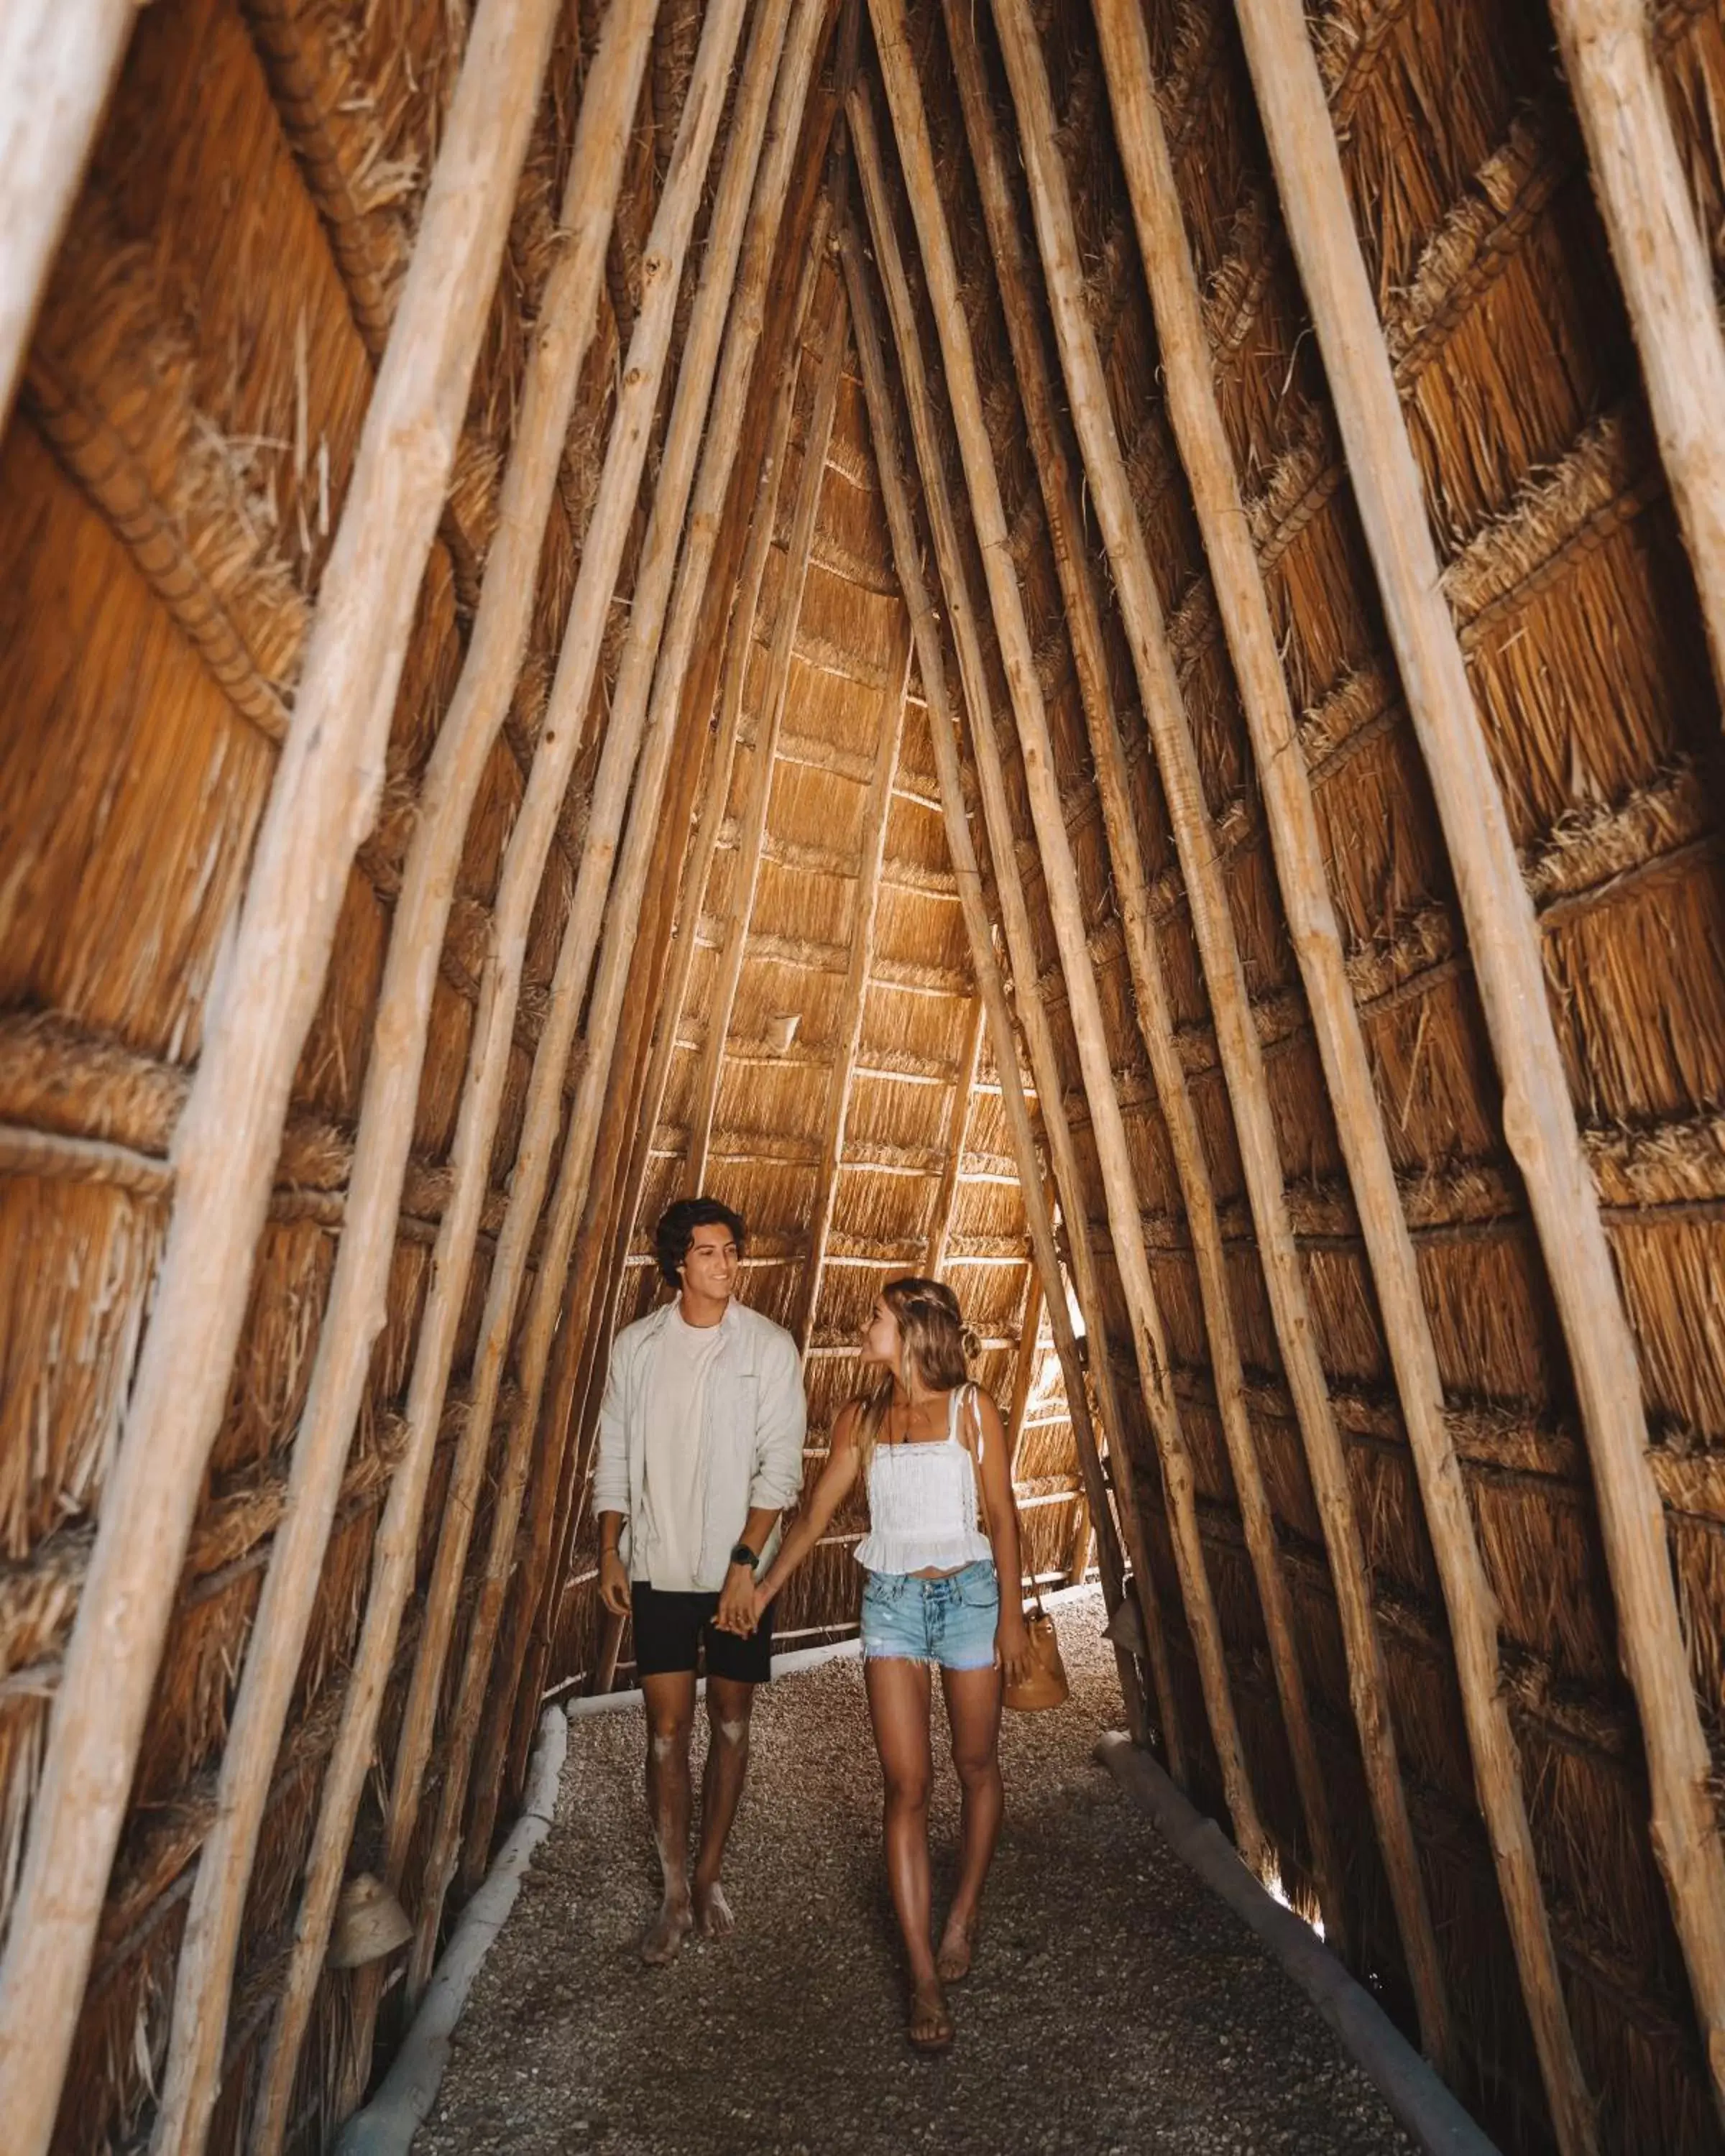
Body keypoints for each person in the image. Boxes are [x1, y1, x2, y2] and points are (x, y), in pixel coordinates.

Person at [750, 1277, 1030, 2051]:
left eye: (876, 1316)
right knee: (907, 1785)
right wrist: (767, 1586)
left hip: (971, 1599)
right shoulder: (862, 1419)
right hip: (892, 1607)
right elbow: (816, 1514)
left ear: (910, 1329)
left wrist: (1009, 1616)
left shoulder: (974, 1409)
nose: (863, 1324)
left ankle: (963, 1913)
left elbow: (1003, 1518)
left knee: (977, 1764)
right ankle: (923, 1977)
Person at [593, 1197, 805, 1964]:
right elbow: (613, 1452)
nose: (728, 1265)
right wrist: (611, 1550)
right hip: (659, 1565)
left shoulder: (770, 1347)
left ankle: (712, 1873)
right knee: (666, 1731)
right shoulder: (638, 1348)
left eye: (733, 1251)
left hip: (736, 1577)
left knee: (732, 1721)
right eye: (712, 1253)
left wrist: (748, 1567)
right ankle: (674, 1892)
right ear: (679, 1263)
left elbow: (779, 1467)